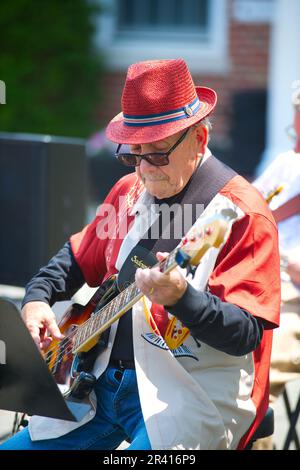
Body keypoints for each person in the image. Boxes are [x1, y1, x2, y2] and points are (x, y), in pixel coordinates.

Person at [0, 58, 280, 450]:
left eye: (159, 154)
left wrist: (182, 299)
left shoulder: (242, 212)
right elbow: (73, 260)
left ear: (199, 139)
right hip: (98, 385)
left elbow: (245, 334)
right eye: (134, 155)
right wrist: (36, 299)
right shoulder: (128, 190)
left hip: (192, 391)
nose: (144, 170)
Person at [254, 90, 300, 402]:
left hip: (292, 303)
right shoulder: (286, 162)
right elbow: (245, 213)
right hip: (258, 285)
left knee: (258, 376)